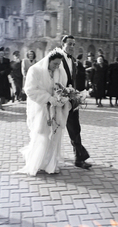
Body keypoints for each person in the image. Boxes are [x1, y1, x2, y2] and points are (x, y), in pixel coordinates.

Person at [15, 48, 71, 176]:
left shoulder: (60, 72)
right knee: (42, 134)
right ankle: (39, 162)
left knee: (55, 136)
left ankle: (51, 163)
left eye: (58, 64)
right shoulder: (35, 70)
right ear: (48, 61)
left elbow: (64, 87)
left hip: (56, 109)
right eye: (54, 64)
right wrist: (48, 98)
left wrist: (63, 98)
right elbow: (30, 90)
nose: (56, 67)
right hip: (41, 109)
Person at [59, 35, 92, 169]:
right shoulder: (57, 58)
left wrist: (78, 95)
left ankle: (79, 158)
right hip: (59, 100)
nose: (72, 47)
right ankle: (47, 157)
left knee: (75, 129)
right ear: (63, 44)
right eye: (69, 44)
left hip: (72, 100)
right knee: (53, 130)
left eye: (74, 44)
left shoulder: (73, 61)